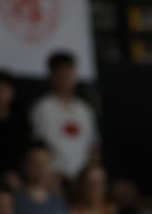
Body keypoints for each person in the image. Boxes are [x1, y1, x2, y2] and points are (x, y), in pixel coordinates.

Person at [29, 51, 100, 181]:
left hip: (81, 180)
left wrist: (88, 175)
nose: (64, 79)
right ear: (51, 77)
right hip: (53, 178)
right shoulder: (42, 108)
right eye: (60, 75)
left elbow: (93, 148)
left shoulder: (85, 110)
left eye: (68, 74)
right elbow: (38, 148)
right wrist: (50, 174)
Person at [13, 142, 72, 214]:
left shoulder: (58, 200)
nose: (40, 168)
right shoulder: (15, 202)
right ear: (25, 165)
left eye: (45, 163)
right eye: (35, 163)